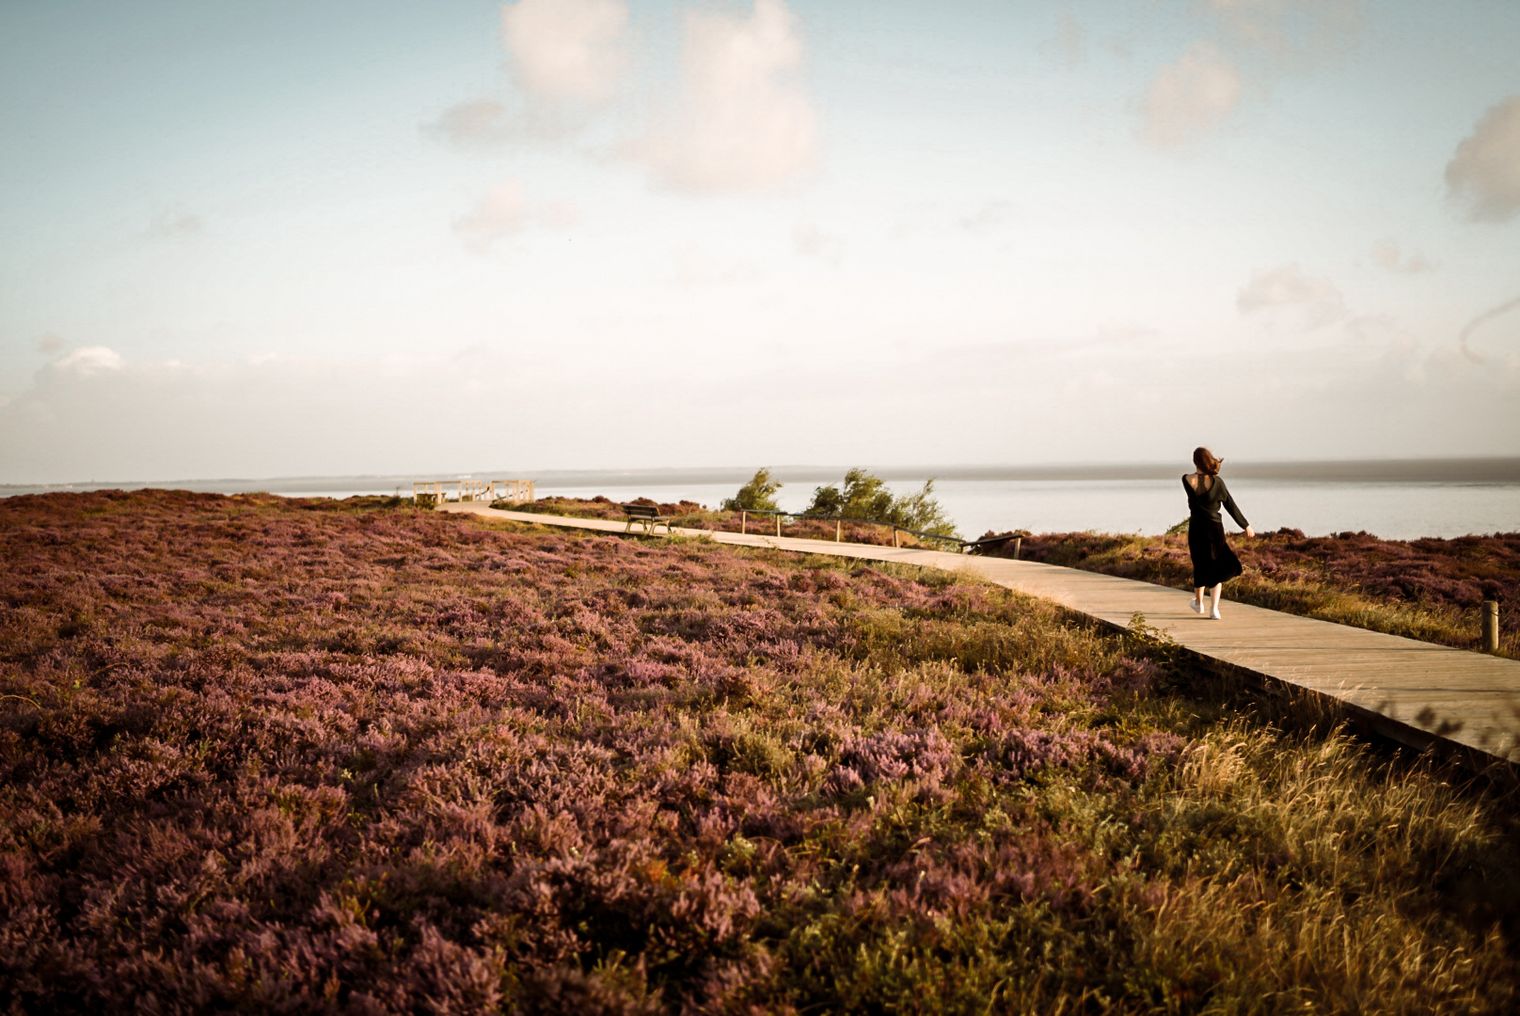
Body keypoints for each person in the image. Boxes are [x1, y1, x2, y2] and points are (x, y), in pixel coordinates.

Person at [1183, 447, 1254, 619]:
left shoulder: (1186, 480)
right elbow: (1230, 505)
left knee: (1199, 563)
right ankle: (1214, 609)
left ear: (1195, 462)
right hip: (1214, 528)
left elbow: (1198, 486)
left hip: (1196, 527)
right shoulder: (1218, 482)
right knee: (1218, 564)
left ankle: (1198, 603)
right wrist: (1246, 525)